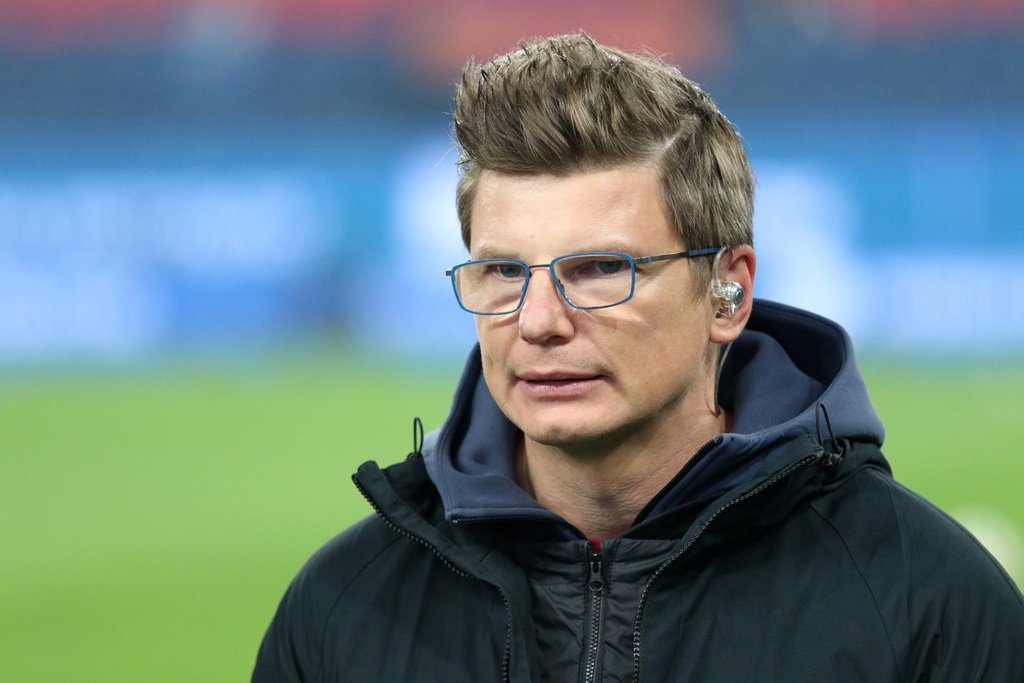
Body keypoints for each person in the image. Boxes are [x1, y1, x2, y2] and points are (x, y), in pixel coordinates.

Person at [253, 32, 1024, 682]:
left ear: (727, 292)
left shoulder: (925, 600)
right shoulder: (342, 608)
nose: (539, 321)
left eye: (600, 269)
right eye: (505, 272)